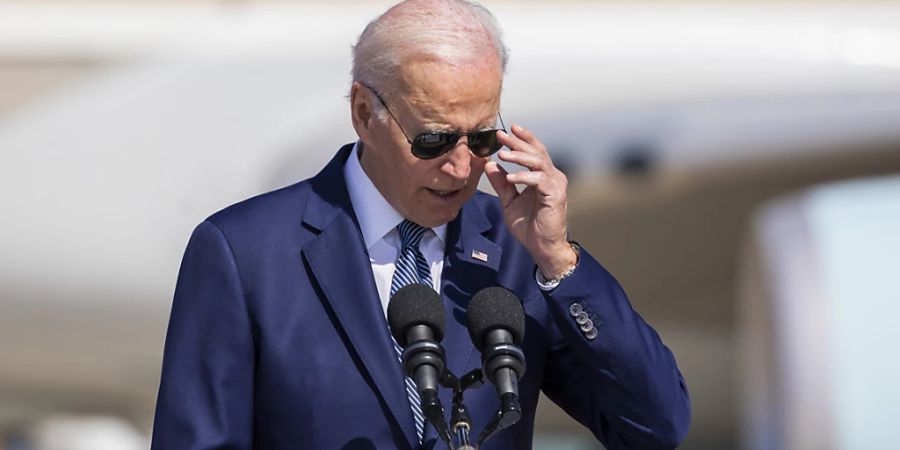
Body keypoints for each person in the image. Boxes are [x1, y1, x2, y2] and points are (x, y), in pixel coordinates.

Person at [151, 1, 691, 449]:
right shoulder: (245, 254)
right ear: (365, 113)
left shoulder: (517, 249)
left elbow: (655, 425)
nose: (461, 168)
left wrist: (559, 261)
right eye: (433, 140)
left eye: (481, 139)